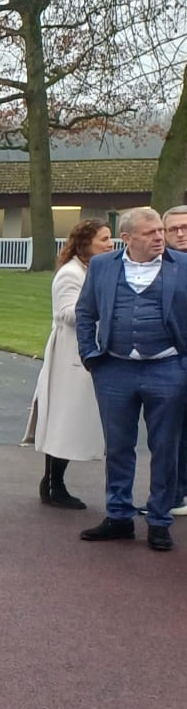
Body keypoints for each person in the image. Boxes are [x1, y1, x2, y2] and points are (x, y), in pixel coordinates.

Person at [74, 206, 186, 552]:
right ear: (127, 239)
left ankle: (159, 520)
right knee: (119, 447)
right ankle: (119, 515)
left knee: (166, 448)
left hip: (167, 368)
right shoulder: (104, 267)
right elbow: (85, 311)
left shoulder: (182, 266)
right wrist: (91, 357)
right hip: (115, 368)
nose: (159, 238)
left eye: (160, 232)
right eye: (150, 233)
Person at [24, 220, 112, 511]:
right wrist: (104, 304)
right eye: (104, 239)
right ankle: (53, 483)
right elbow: (66, 314)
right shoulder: (71, 273)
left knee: (73, 418)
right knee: (65, 417)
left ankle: (53, 481)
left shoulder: (93, 270)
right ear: (86, 243)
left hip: (86, 350)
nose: (110, 244)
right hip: (68, 353)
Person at [168, 205, 187, 519]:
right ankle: (176, 493)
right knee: (175, 432)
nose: (181, 234)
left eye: (186, 227)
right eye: (174, 229)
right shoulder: (162, 266)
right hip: (172, 362)